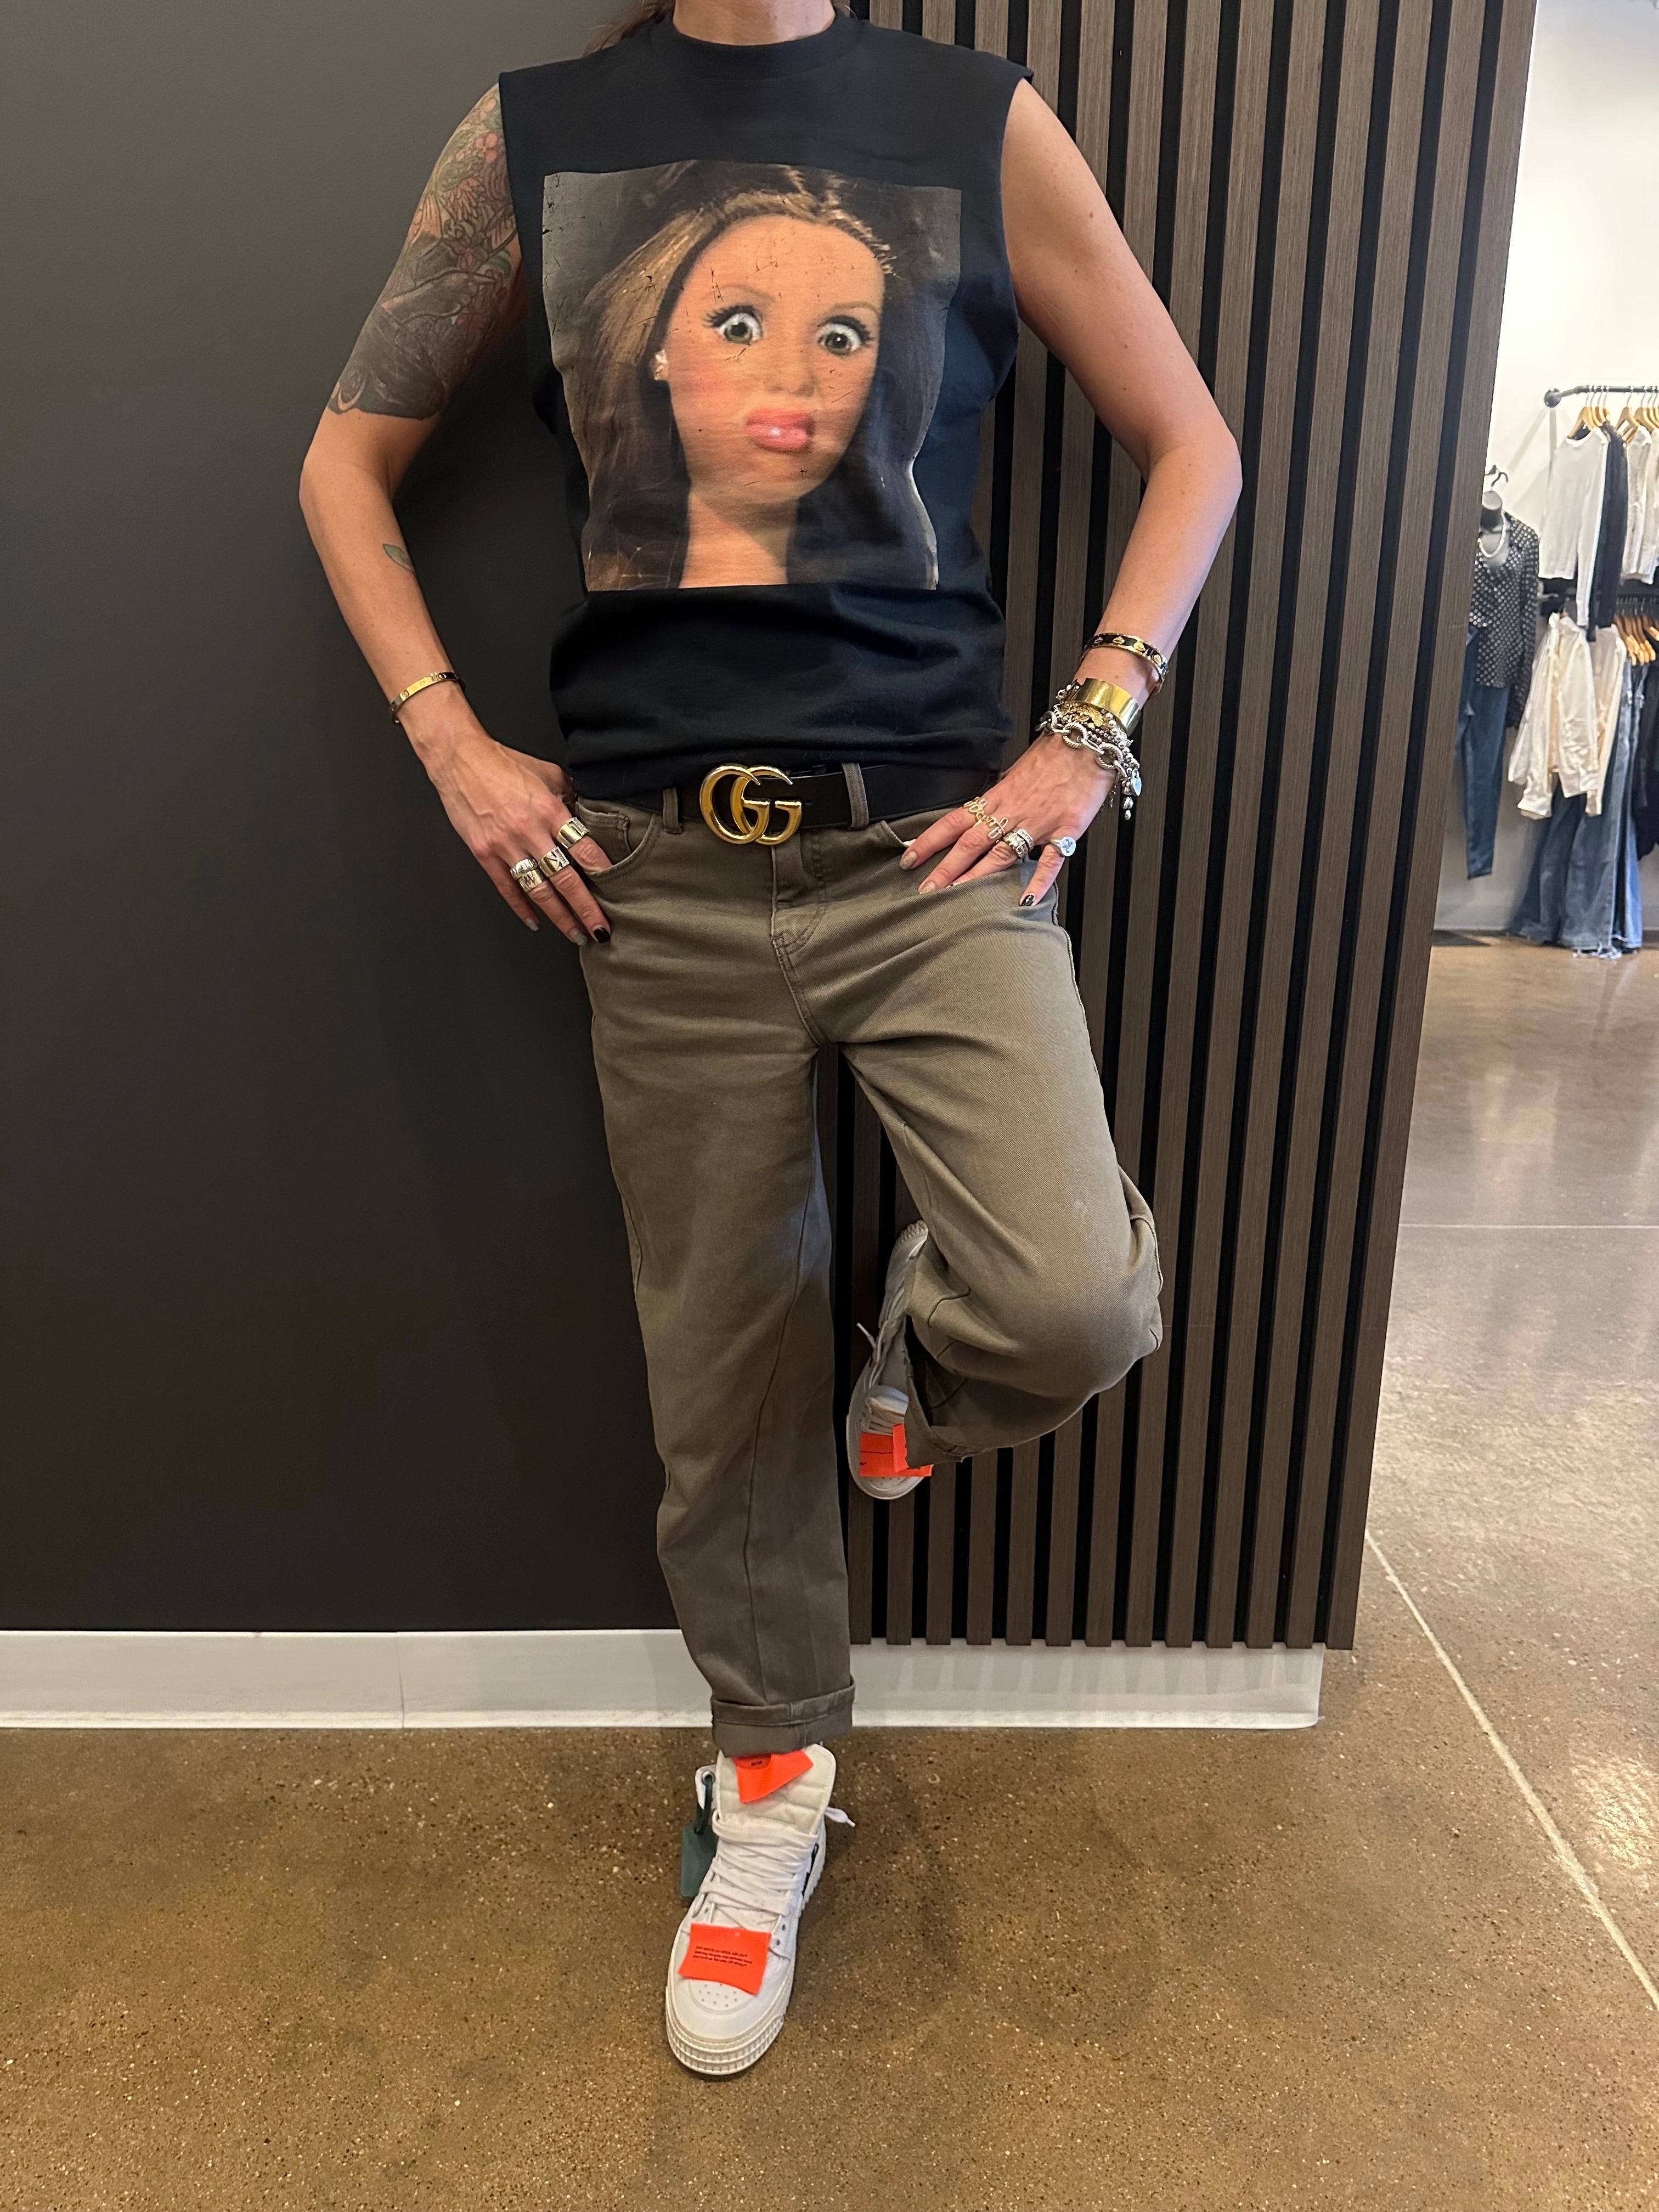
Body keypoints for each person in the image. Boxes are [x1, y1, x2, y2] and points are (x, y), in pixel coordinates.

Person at [300, 0, 1240, 2080]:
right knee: (722, 1372)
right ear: (658, 347)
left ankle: (919, 1365)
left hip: (938, 856)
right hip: (655, 882)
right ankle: (770, 1783)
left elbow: (1197, 446)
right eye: (736, 327)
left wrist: (1090, 730)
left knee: (1073, 1297)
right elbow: (342, 460)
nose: (793, 376)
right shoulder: (532, 139)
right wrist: (452, 745)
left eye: (837, 334)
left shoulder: (976, 123)